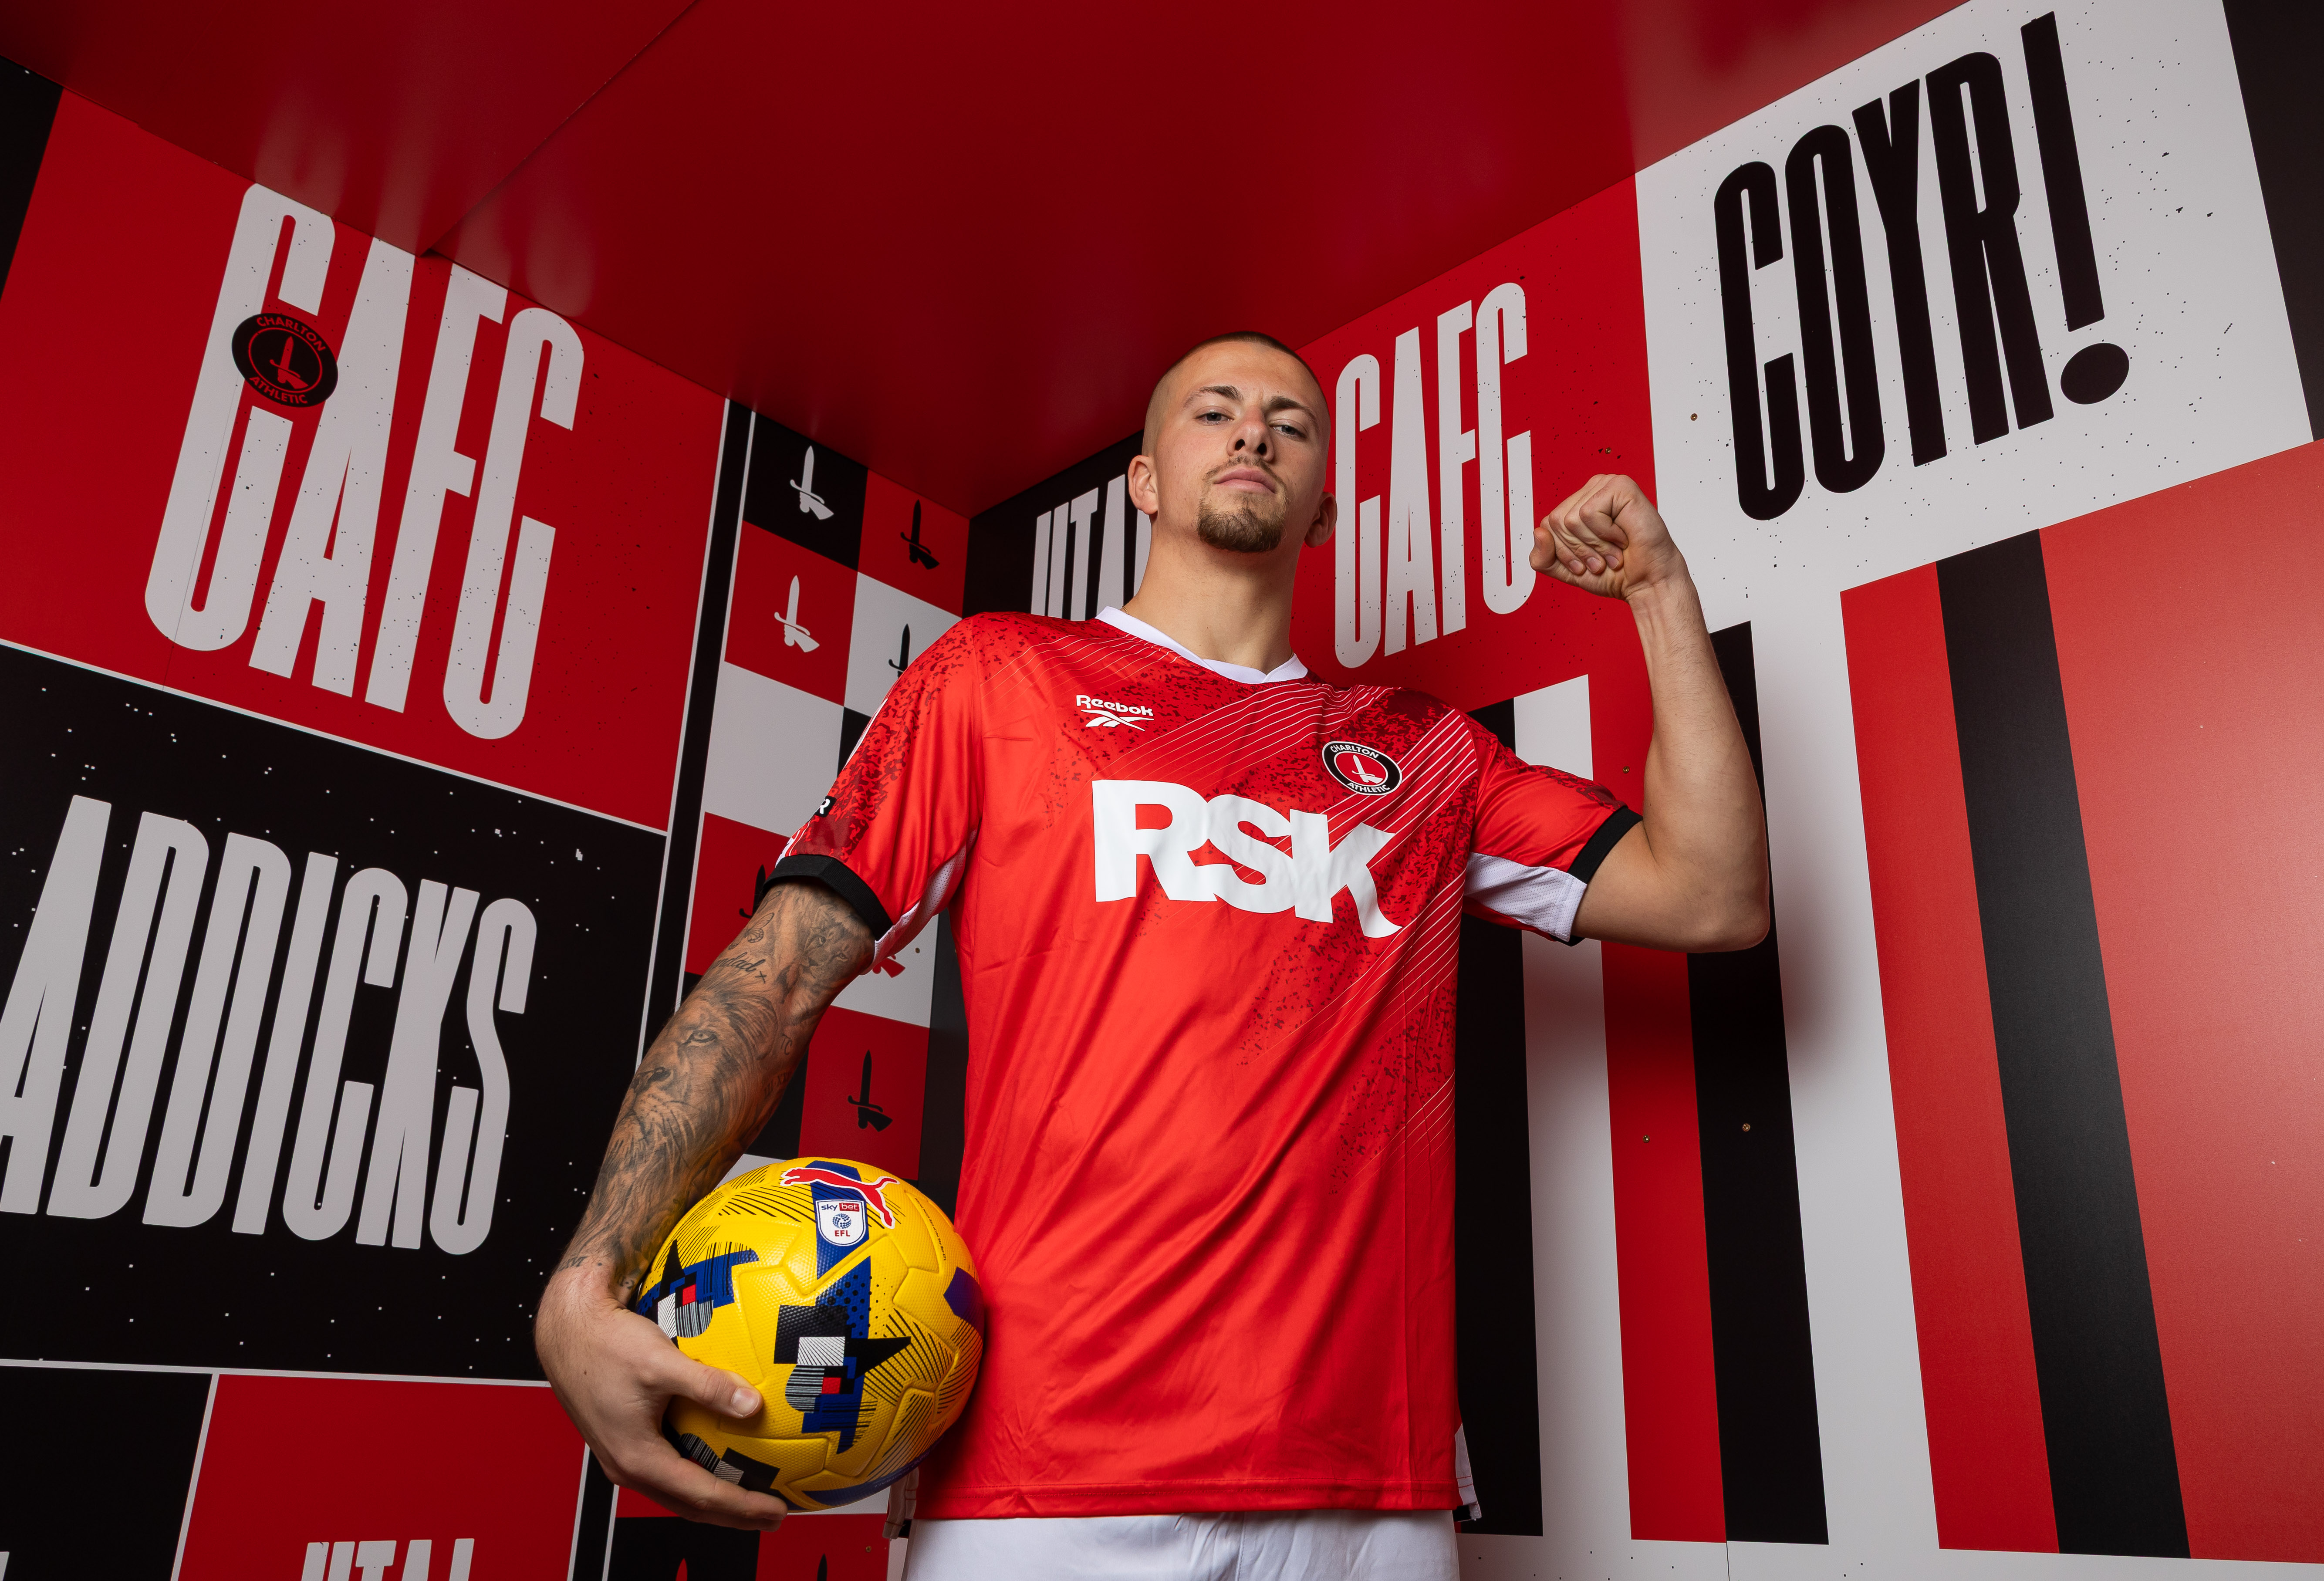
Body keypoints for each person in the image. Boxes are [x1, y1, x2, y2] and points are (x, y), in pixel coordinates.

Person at [535, 331, 1767, 1578]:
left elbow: (1715, 894)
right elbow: (779, 975)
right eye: (1214, 411)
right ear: (1144, 481)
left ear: (1324, 505)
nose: (1253, 433)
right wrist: (590, 1279)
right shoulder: (998, 677)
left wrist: (1661, 594)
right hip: (1044, 1481)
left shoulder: (1425, 754)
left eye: (1291, 421)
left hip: (1365, 1495)